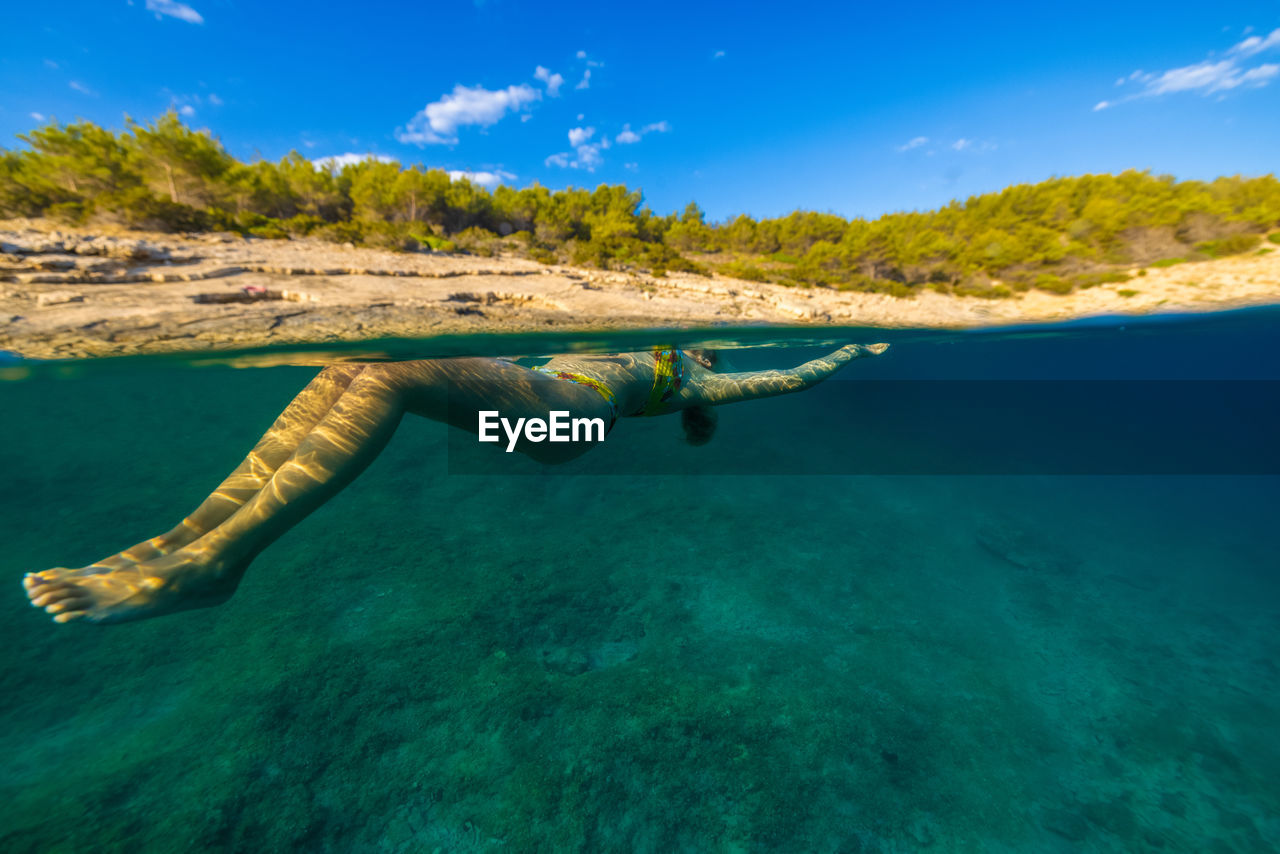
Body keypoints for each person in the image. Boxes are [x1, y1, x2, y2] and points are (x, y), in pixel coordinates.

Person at [23, 343, 888, 624]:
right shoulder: (649, 351)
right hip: (546, 410)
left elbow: (788, 381)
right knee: (348, 369)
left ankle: (221, 562)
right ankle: (185, 538)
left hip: (567, 423)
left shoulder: (694, 381)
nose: (702, 352)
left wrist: (850, 352)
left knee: (393, 377)